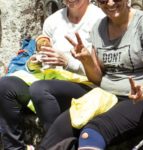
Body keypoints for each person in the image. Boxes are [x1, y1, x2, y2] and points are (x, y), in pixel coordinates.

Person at [32, 0, 143, 149]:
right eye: (103, 0)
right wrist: (86, 60)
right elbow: (97, 78)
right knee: (61, 128)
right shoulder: (99, 28)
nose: (110, 3)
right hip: (105, 95)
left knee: (91, 133)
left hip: (138, 99)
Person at [0, 0, 105, 150]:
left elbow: (100, 73)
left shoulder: (100, 19)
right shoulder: (53, 20)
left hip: (86, 85)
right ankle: (14, 147)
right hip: (51, 79)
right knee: (5, 85)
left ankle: (58, 146)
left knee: (40, 89)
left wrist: (67, 62)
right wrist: (36, 61)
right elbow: (44, 57)